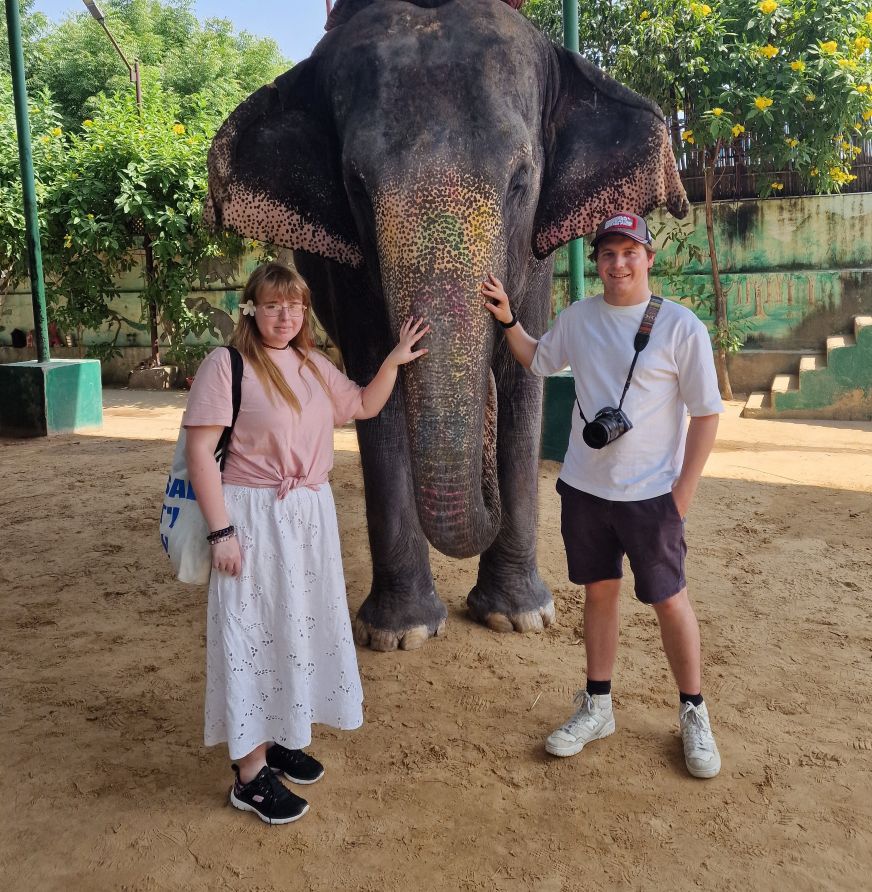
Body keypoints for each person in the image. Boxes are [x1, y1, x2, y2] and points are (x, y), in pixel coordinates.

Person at [184, 261, 429, 824]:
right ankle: (250, 775)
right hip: (251, 514)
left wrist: (394, 359)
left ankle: (278, 738)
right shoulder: (227, 365)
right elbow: (200, 454)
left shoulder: (313, 365)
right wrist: (221, 531)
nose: (285, 316)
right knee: (250, 633)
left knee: (295, 627)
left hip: (308, 517)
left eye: (294, 306)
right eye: (273, 305)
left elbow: (362, 405)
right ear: (252, 309)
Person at [482, 212, 724, 779]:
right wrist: (508, 318)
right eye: (608, 254)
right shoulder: (579, 317)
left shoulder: (681, 327)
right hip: (585, 490)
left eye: (629, 252)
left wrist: (681, 497)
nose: (618, 264)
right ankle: (597, 705)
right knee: (599, 594)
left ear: (648, 258)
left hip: (652, 496)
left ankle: (694, 711)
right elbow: (538, 359)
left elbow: (707, 414)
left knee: (670, 600)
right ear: (597, 262)